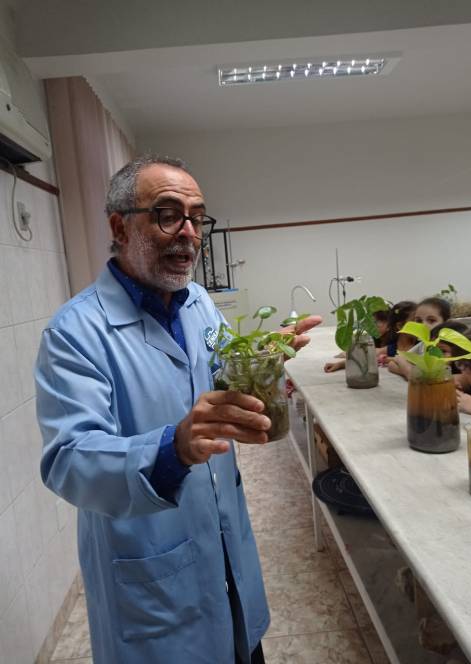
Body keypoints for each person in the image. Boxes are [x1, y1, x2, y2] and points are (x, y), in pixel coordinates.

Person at [35, 154, 322, 664]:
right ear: (120, 227)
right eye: (168, 215)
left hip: (226, 556)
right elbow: (69, 461)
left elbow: (222, 376)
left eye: (197, 218)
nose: (188, 233)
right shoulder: (75, 332)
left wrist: (260, 360)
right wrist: (175, 447)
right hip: (151, 576)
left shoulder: (199, 304)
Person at [388, 298, 450, 378]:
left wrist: (403, 365)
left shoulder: (447, 347)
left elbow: (425, 376)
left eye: (431, 320)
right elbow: (391, 364)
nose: (423, 326)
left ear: (447, 323)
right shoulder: (422, 345)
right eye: (419, 321)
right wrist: (407, 369)